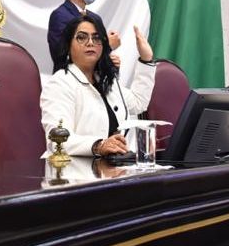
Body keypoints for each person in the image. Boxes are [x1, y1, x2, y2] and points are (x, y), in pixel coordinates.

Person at [40, 15, 155, 157]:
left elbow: (139, 103)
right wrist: (98, 145)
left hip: (111, 170)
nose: (90, 43)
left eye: (96, 38)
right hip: (71, 173)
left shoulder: (107, 81)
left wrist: (146, 59)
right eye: (82, 37)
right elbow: (58, 139)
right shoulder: (59, 83)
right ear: (68, 45)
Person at [47, 0, 120, 72]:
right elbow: (62, 58)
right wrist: (108, 47)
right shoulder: (60, 16)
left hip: (95, 85)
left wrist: (110, 62)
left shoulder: (95, 18)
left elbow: (97, 59)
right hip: (69, 84)